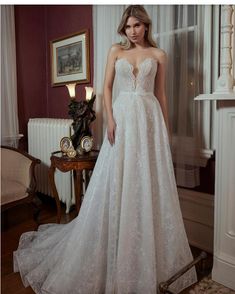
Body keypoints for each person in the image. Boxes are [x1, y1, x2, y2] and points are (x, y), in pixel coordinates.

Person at [14, 5, 197, 294]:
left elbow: (161, 94)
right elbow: (108, 87)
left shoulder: (159, 55)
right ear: (123, 29)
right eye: (128, 26)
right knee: (116, 178)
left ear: (146, 26)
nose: (133, 31)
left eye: (137, 25)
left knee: (146, 181)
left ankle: (139, 245)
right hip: (122, 120)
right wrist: (110, 119)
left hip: (148, 123)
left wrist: (166, 129)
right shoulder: (116, 51)